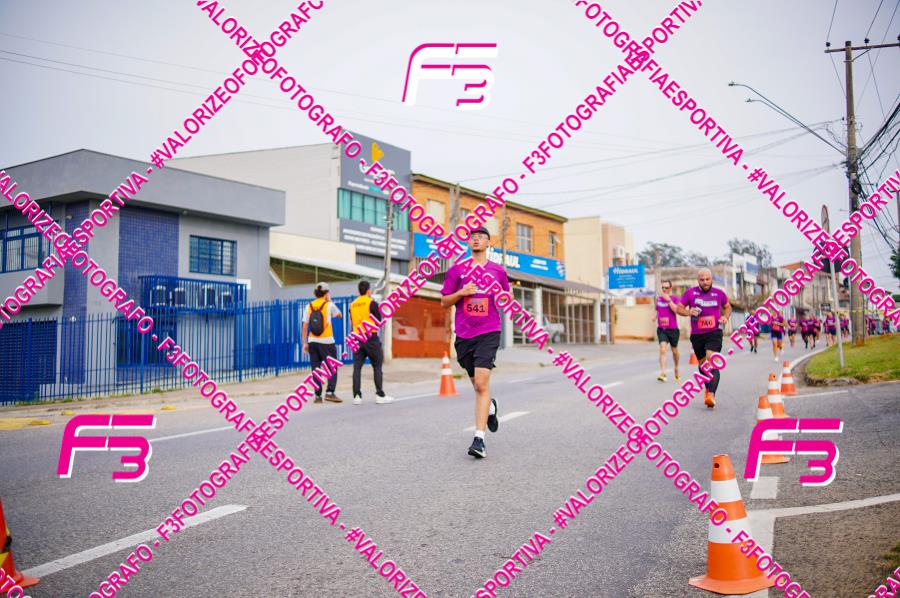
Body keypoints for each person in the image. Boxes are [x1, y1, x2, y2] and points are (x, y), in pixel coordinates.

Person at [441, 225, 510, 459]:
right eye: (472, 237)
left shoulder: (497, 271)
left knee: (481, 384)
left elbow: (507, 297)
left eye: (481, 236)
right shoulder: (457, 270)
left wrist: (504, 297)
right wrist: (462, 293)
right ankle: (490, 407)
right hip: (464, 335)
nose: (476, 239)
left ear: (488, 243)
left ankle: (479, 439)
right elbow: (444, 301)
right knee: (477, 385)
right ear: (468, 243)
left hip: (489, 332)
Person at [675, 268, 731, 408]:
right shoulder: (690, 293)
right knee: (702, 365)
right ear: (698, 280)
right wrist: (688, 312)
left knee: (711, 360)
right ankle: (708, 388)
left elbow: (727, 307)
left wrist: (725, 316)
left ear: (712, 279)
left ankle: (711, 394)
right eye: (702, 280)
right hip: (697, 335)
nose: (705, 282)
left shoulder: (719, 293)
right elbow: (678, 308)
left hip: (714, 332)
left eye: (707, 279)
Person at [349, 280, 394, 406]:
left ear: (359, 291)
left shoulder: (352, 305)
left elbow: (352, 320)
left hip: (358, 337)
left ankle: (357, 396)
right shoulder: (371, 303)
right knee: (377, 366)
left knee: (357, 368)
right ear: (368, 290)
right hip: (370, 338)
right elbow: (378, 321)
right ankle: (380, 395)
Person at [302, 282, 343, 403]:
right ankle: (330, 393)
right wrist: (329, 300)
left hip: (312, 341)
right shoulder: (329, 305)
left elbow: (305, 327)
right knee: (332, 366)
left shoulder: (309, 306)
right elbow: (339, 315)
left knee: (316, 368)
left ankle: (318, 396)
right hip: (327, 341)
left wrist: (305, 343)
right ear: (326, 293)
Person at [653, 280, 681, 382]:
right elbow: (657, 310)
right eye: (663, 288)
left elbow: (676, 310)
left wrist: (668, 300)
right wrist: (654, 316)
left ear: (670, 288)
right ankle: (663, 373)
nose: (664, 289)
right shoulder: (659, 299)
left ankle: (676, 367)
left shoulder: (675, 298)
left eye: (666, 287)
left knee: (674, 351)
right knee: (662, 349)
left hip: (673, 329)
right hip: (662, 329)